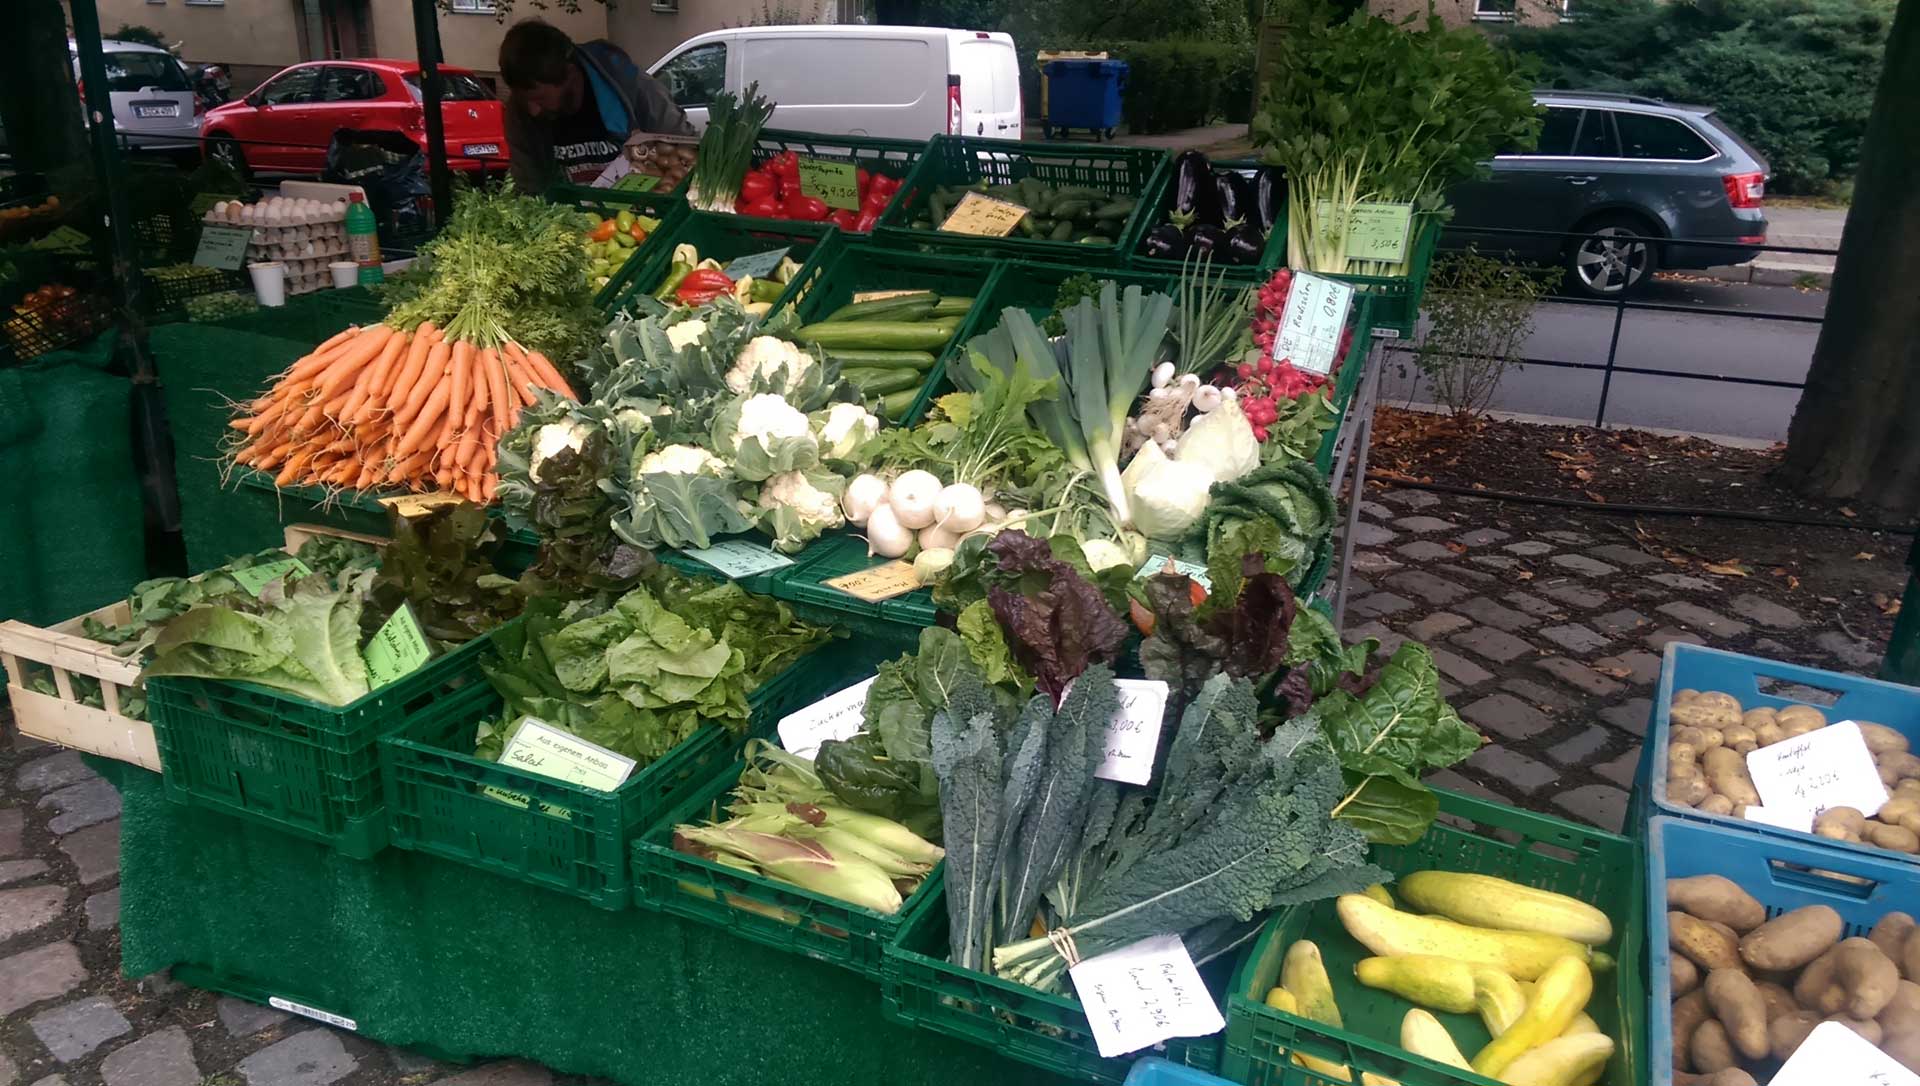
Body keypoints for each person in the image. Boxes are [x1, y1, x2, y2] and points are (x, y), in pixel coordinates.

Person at [498, 20, 693, 193]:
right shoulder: (520, 114)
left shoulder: (634, 90)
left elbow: (685, 151)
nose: (533, 110)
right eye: (524, 99)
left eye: (540, 98)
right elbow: (530, 187)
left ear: (570, 73)